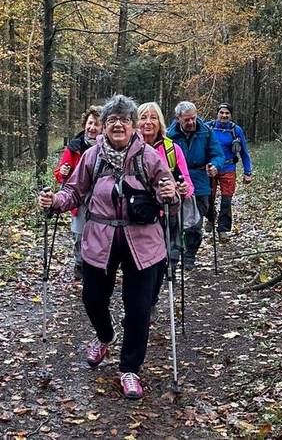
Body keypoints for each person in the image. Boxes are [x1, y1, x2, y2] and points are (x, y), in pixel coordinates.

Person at [38, 95, 179, 399]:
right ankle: (105, 336)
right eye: (111, 120)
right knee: (92, 298)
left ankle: (129, 369)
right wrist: (55, 203)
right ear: (102, 126)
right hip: (100, 239)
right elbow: (74, 191)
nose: (118, 125)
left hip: (143, 242)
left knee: (139, 309)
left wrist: (170, 194)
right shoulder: (93, 156)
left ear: (132, 126)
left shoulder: (149, 156)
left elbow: (170, 196)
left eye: (123, 120)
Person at [137, 102, 194, 319]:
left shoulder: (172, 150)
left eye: (153, 117)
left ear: (159, 122)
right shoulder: (127, 148)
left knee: (159, 264)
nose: (148, 122)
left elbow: (187, 183)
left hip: (163, 216)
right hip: (134, 216)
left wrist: (182, 189)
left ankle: (150, 301)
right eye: (143, 118)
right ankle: (136, 305)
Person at [166, 101, 225, 270]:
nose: (191, 122)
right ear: (178, 119)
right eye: (187, 120)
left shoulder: (206, 132)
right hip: (177, 181)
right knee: (176, 221)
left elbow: (218, 154)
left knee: (195, 223)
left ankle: (190, 255)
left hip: (200, 181)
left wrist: (215, 165)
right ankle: (175, 253)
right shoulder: (170, 135)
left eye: (193, 118)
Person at [54, 105, 103, 280]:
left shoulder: (108, 148)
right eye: (90, 123)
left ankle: (96, 266)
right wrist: (63, 172)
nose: (92, 128)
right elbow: (60, 175)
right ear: (85, 124)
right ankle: (80, 263)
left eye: (97, 124)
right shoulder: (74, 147)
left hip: (100, 198)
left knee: (99, 234)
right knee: (79, 235)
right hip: (78, 199)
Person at [205, 103, 253, 242]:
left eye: (227, 113)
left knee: (226, 200)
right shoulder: (208, 127)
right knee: (208, 198)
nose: (224, 115)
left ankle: (223, 230)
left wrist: (247, 172)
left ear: (230, 115)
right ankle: (210, 217)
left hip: (228, 168)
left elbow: (244, 152)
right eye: (222, 112)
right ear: (217, 113)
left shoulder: (236, 130)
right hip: (211, 168)